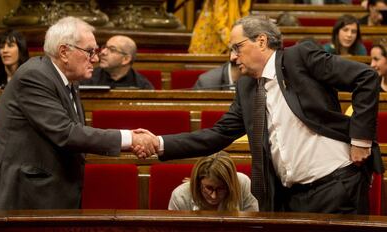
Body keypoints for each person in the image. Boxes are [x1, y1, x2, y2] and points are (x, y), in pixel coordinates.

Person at [134, 15, 383, 214]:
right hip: (290, 199)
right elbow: (217, 135)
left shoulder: (299, 58)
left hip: (337, 185)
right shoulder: (246, 88)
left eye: (236, 48)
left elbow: (366, 77)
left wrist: (360, 141)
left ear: (261, 41)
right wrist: (159, 143)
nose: (232, 57)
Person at [0, 16, 156, 210]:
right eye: (89, 51)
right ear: (64, 52)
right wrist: (130, 138)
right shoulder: (34, 76)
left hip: (44, 194)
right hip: (19, 197)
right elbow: (66, 133)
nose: (95, 58)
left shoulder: (68, 79)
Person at [168, 152, 259, 211]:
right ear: (198, 183)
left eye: (221, 188)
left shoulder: (243, 183)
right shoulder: (180, 196)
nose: (213, 196)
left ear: (230, 184)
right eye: (208, 188)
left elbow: (253, 225)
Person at [80, 35, 154, 89]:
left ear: (126, 59)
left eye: (112, 50)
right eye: (104, 47)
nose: (103, 52)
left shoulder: (142, 86)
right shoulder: (87, 79)